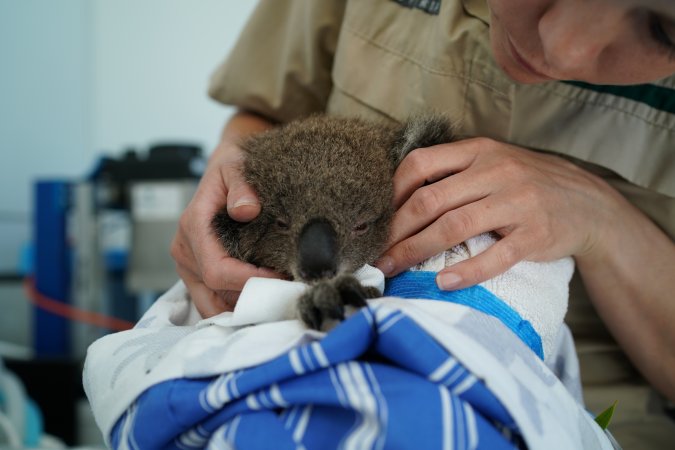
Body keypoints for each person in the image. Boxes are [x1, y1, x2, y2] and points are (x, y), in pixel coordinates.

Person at [171, 0, 675, 447]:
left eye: (664, 30)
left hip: (589, 415)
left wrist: (601, 219)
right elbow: (262, 113)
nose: (562, 46)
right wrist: (227, 189)